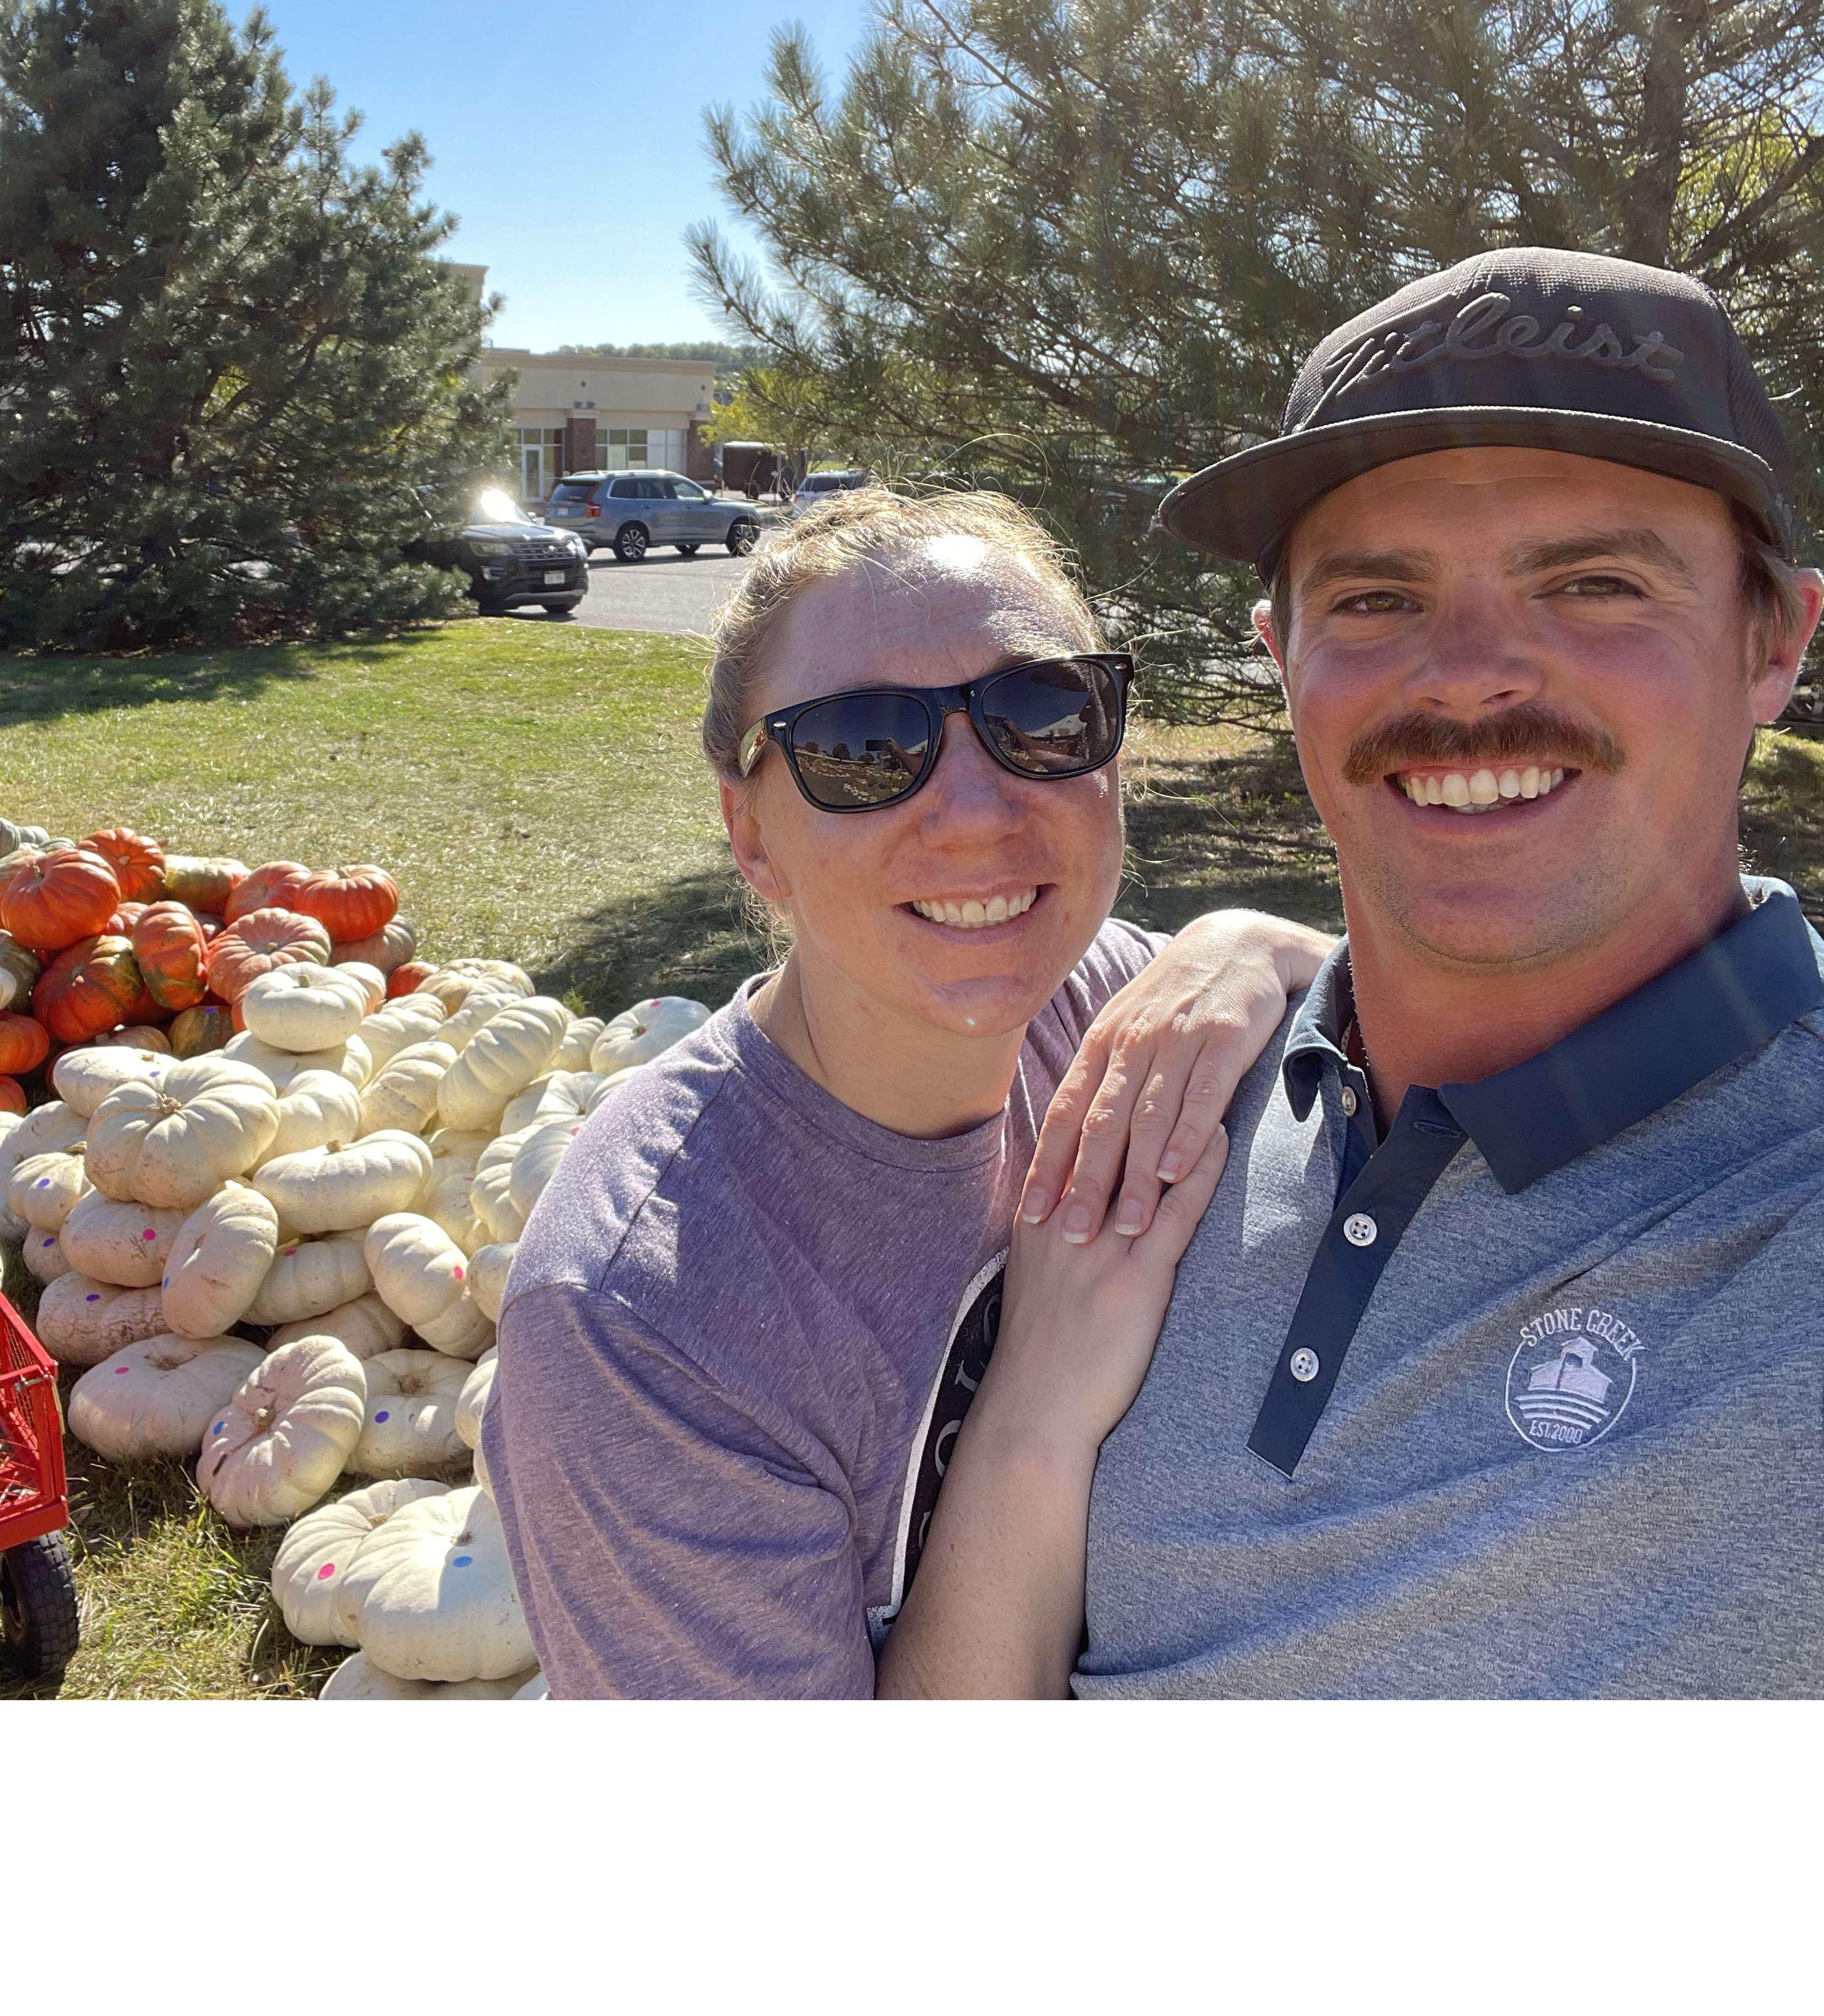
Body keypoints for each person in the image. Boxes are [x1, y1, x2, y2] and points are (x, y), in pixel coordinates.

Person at [879, 247, 1824, 1699]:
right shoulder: (1169, 1109)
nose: (1466, 676)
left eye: (1592, 583)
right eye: (1378, 601)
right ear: (1282, 658)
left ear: (1772, 643)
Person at [481, 488, 1336, 1696]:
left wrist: (1252, 941)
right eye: (864, 750)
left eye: (1045, 713)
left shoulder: (1121, 1007)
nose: (980, 813)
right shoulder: (640, 1324)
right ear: (752, 834)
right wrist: (1039, 1389)